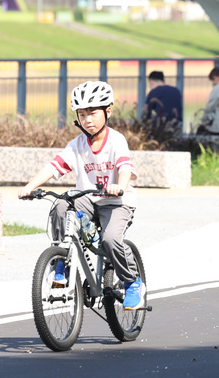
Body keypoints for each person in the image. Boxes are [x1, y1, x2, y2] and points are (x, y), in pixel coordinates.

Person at [18, 81, 146, 310]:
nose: (88, 120)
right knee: (60, 204)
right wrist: (30, 186)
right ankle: (62, 261)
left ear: (108, 111)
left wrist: (120, 185)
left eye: (93, 113)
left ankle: (132, 283)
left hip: (116, 202)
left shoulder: (116, 140)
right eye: (82, 114)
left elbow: (125, 167)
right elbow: (54, 166)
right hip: (87, 200)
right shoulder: (77, 145)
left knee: (110, 240)